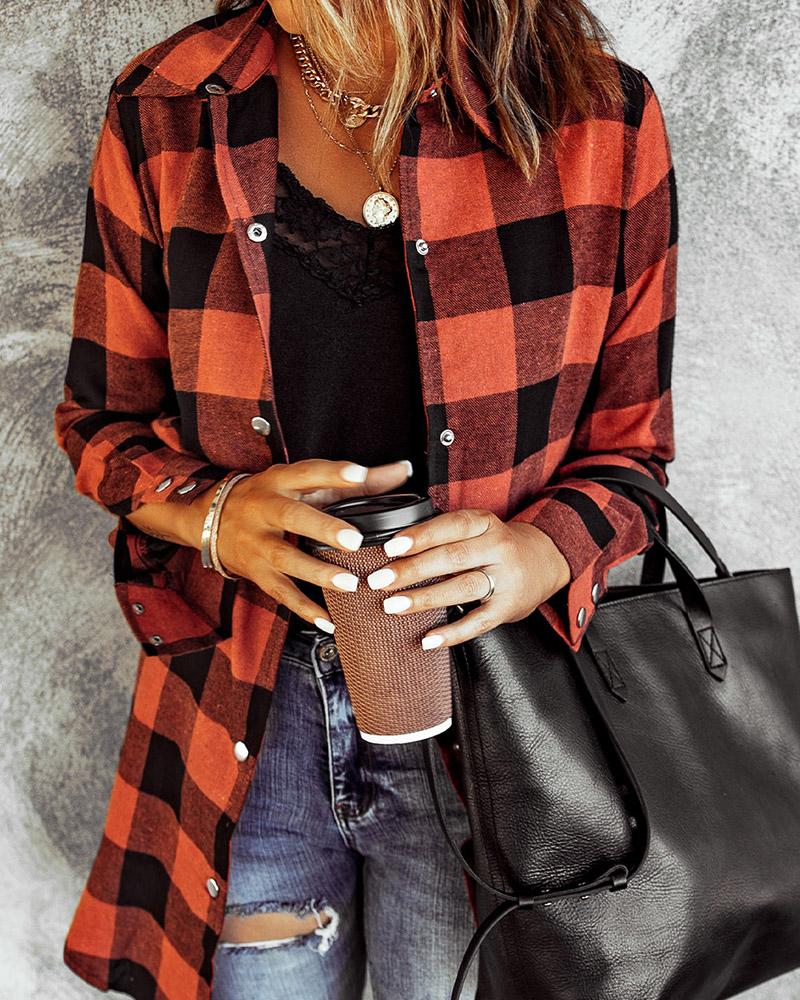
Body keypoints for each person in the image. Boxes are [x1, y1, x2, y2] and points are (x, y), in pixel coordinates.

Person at [53, 1, 677, 998]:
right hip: (247, 722)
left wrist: (538, 555)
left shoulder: (600, 119)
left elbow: (632, 451)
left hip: (492, 733)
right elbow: (100, 424)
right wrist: (213, 516)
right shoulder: (167, 104)